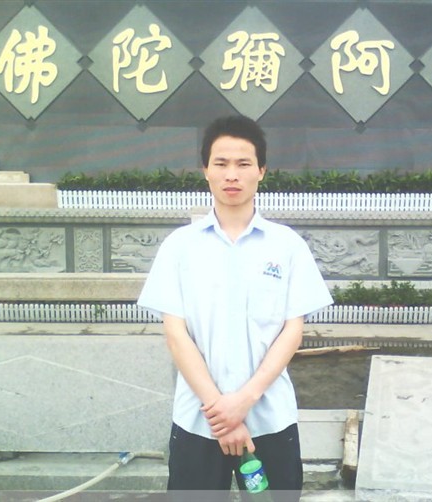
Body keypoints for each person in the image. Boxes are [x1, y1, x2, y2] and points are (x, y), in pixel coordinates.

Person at [137, 115, 333, 501]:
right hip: (199, 421)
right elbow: (176, 335)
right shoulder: (180, 246)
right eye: (221, 163)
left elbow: (292, 331)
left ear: (261, 171)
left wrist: (243, 401)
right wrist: (221, 411)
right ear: (205, 170)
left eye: (243, 164)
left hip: (268, 419)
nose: (232, 174)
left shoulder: (287, 246)